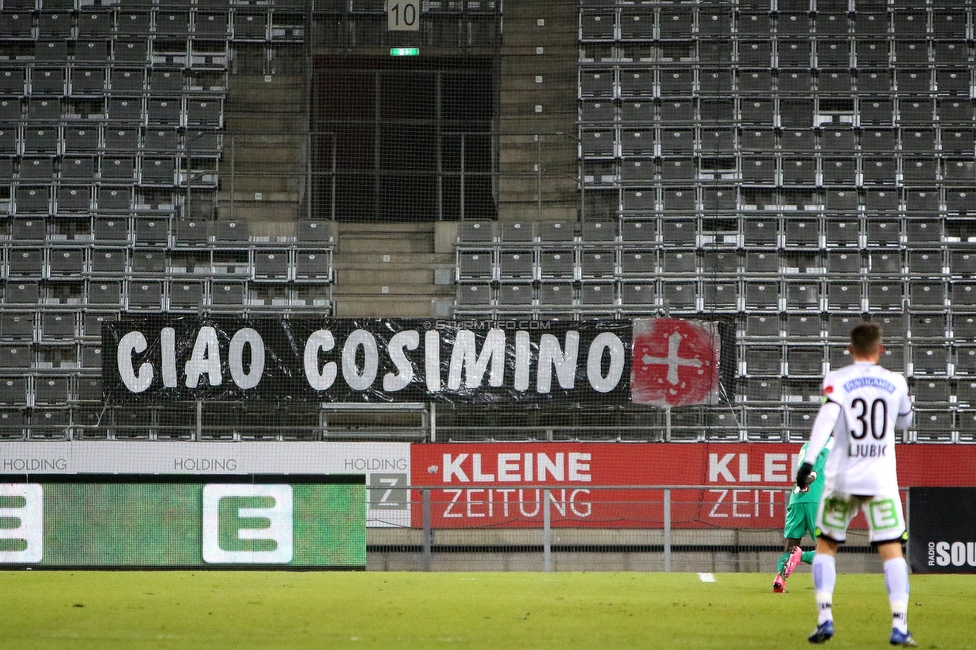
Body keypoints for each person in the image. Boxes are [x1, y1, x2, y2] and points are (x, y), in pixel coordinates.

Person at [795, 323, 916, 646]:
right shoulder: (896, 382)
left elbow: (827, 418)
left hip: (843, 478)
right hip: (880, 479)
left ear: (850, 349)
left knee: (826, 546)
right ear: (881, 349)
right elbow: (906, 421)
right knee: (891, 550)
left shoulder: (837, 379)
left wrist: (807, 462)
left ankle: (825, 619)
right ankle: (900, 625)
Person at [772, 435, 834, 593]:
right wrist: (812, 474)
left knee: (791, 546)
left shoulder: (806, 445)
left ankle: (780, 580)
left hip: (796, 497)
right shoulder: (828, 440)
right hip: (815, 498)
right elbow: (821, 457)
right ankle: (803, 556)